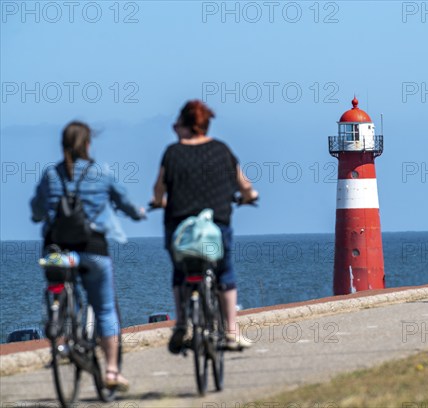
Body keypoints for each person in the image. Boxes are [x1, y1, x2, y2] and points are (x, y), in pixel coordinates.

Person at [31, 121, 145, 391]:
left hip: (58, 251)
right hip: (94, 251)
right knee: (105, 309)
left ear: (62, 145)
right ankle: (112, 372)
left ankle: (59, 318)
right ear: (88, 144)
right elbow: (125, 203)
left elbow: (37, 210)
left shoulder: (51, 175)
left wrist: (40, 215)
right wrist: (138, 213)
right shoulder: (101, 171)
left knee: (58, 282)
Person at [152, 99, 258, 353]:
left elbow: (158, 188)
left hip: (181, 226)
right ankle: (231, 331)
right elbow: (244, 183)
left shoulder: (172, 153)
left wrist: (158, 202)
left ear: (185, 125)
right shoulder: (221, 150)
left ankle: (182, 325)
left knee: (180, 272)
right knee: (224, 273)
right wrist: (249, 196)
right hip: (215, 225)